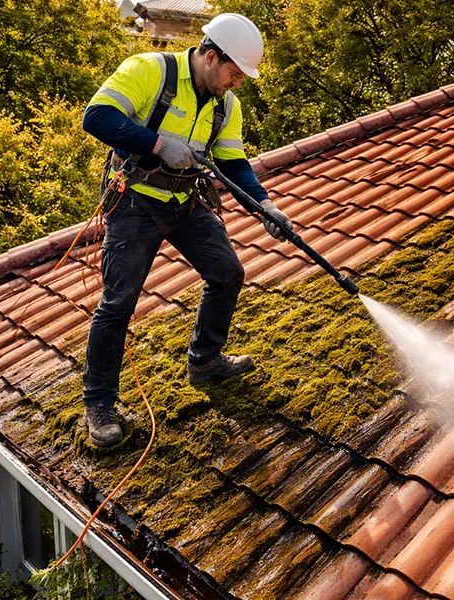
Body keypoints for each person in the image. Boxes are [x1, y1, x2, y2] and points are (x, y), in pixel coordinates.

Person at [80, 13, 292, 447]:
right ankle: (99, 404)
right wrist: (157, 144)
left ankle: (206, 360)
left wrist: (265, 205)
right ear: (211, 57)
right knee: (119, 302)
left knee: (227, 273)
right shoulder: (150, 70)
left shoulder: (225, 106)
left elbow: (233, 163)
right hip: (135, 201)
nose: (236, 83)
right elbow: (96, 117)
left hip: (183, 201)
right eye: (234, 73)